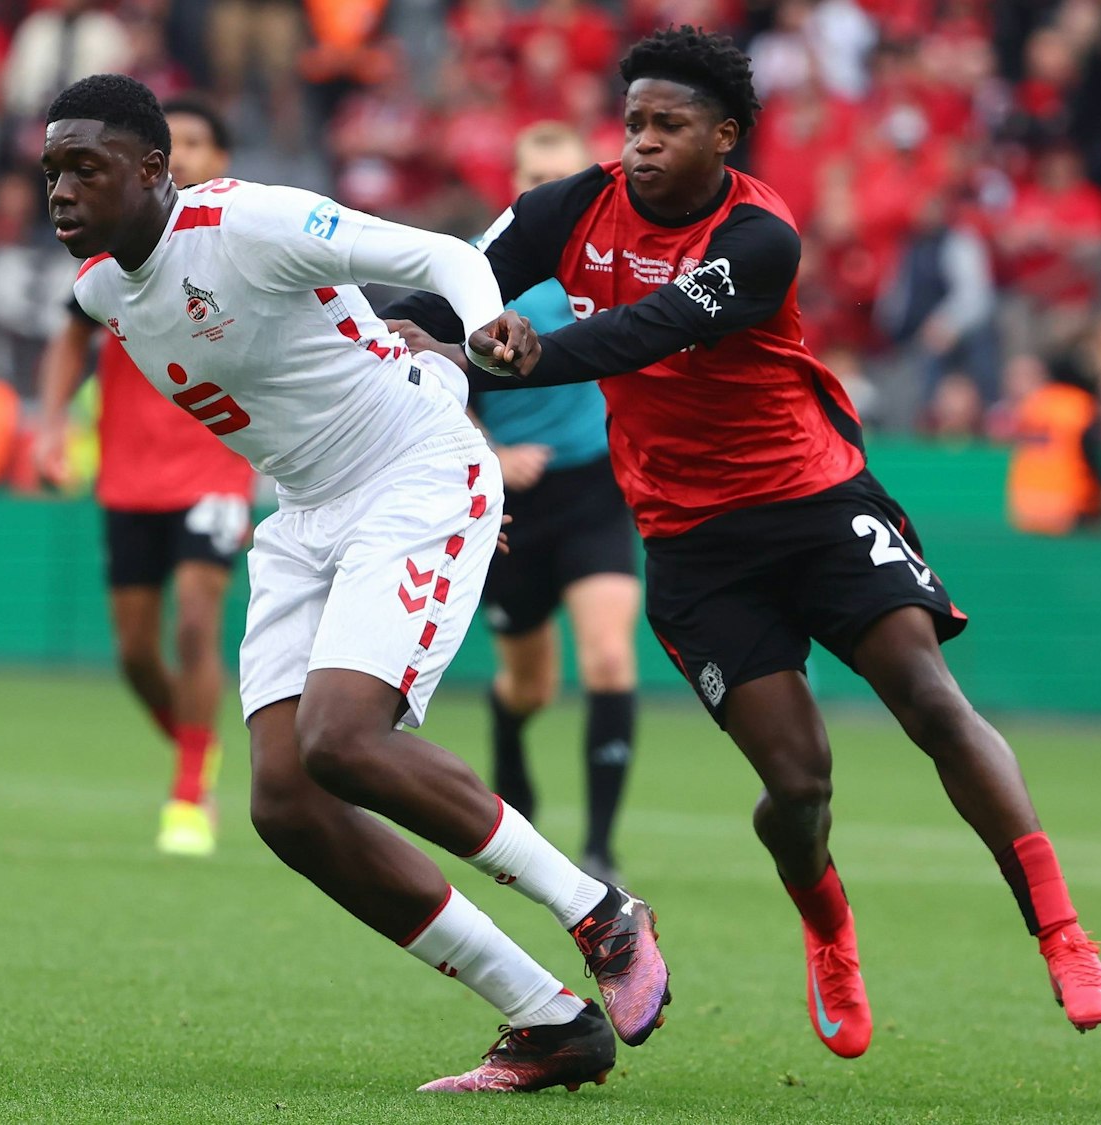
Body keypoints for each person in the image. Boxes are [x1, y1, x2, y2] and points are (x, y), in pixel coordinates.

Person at [387, 26, 1101, 1061]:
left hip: (814, 501)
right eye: (633, 122)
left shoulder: (758, 235)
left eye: (668, 125)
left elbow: (647, 328)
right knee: (798, 785)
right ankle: (827, 925)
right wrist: (377, 330)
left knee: (928, 699)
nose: (642, 142)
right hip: (692, 542)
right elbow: (455, 280)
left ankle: (1063, 935)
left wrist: (502, 360)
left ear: (725, 136)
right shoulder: (569, 208)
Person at [43, 74, 670, 1092]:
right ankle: (547, 1019)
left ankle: (599, 911)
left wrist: (478, 335)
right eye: (50, 172)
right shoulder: (100, 293)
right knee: (286, 803)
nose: (61, 191)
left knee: (341, 738)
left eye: (85, 167)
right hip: (304, 515)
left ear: (154, 169)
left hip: (413, 469)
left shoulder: (248, 222)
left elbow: (447, 258)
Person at [35, 97, 258, 858]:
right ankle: (200, 749)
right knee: (134, 652)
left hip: (214, 467)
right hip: (129, 474)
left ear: (220, 161)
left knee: (195, 622)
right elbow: (70, 335)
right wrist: (51, 425)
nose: (186, 153)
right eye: (176, 139)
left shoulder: (242, 242)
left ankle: (188, 792)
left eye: (198, 141)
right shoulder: (116, 251)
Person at [472, 122, 642, 884]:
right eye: (534, 177)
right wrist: (491, 454)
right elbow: (433, 380)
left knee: (608, 656)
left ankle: (600, 850)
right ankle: (510, 758)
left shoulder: (611, 268)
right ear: (514, 183)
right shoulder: (477, 272)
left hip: (594, 489)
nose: (549, 190)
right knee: (529, 685)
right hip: (512, 501)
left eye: (562, 178)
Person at [1006, 358, 1101, 536]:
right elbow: (1092, 455)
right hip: (1068, 507)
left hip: (1028, 506)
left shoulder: (1033, 403)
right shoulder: (1078, 405)